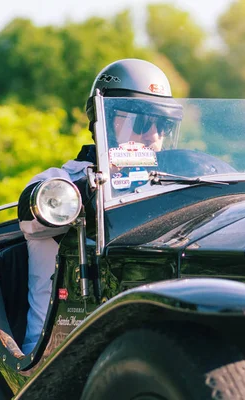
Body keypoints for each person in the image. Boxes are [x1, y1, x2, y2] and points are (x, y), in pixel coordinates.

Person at [16, 58, 181, 354]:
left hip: (145, 343)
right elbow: (31, 219)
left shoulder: (171, 183)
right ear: (103, 121)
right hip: (59, 348)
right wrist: (102, 181)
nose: (154, 135)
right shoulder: (62, 180)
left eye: (163, 125)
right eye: (142, 121)